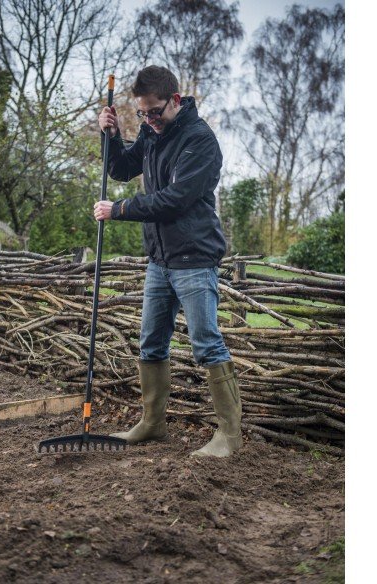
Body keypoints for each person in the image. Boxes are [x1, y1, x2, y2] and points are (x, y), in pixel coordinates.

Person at [95, 65, 242, 458]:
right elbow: (121, 169)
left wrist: (120, 209)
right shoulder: (151, 132)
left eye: (155, 112)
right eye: (142, 113)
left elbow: (175, 199)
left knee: (206, 343)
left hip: (194, 258)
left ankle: (229, 436)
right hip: (160, 260)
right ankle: (152, 423)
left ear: (175, 100)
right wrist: (110, 135)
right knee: (151, 343)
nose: (149, 120)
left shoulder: (199, 140)